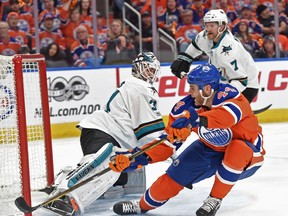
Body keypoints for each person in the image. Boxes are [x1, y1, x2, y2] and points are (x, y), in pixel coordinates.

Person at [111, 63, 265, 216]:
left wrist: (196, 119)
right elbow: (167, 143)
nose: (189, 92)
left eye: (192, 87)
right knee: (176, 173)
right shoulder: (184, 109)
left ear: (207, 89)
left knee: (238, 148)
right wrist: (136, 157)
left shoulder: (232, 96)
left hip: (249, 153)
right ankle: (141, 205)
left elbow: (226, 118)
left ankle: (214, 199)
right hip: (210, 150)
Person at [42, 52, 176, 215]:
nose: (151, 74)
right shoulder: (139, 88)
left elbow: (145, 136)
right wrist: (170, 148)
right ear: (137, 69)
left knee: (119, 181)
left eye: (153, 70)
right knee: (101, 168)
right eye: (148, 69)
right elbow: (150, 132)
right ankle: (62, 196)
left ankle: (66, 176)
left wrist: (164, 147)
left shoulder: (137, 87)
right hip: (103, 133)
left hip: (110, 137)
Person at [170, 9, 260, 103]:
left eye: (212, 26)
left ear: (222, 27)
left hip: (247, 86)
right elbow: (196, 45)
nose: (208, 29)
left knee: (218, 110)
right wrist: (186, 58)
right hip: (226, 80)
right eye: (206, 25)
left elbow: (241, 80)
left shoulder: (229, 50)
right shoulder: (205, 36)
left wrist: (220, 97)